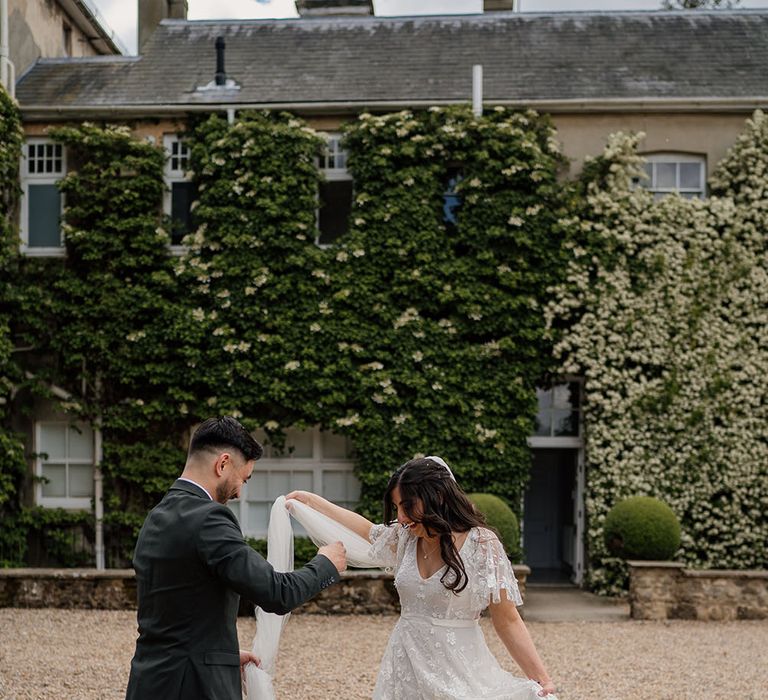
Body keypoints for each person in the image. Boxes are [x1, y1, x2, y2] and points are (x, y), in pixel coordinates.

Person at [288, 455, 557, 699]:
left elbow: (507, 619)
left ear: (437, 496)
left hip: (460, 671)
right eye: (396, 508)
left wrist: (541, 678)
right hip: (406, 667)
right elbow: (367, 530)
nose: (401, 518)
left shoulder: (483, 545)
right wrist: (313, 502)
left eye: (407, 506)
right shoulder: (405, 538)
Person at [126, 416, 347, 700]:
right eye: (243, 478)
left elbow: (176, 609)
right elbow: (276, 592)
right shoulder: (209, 518)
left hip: (150, 681)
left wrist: (223, 655)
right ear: (222, 464)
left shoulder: (157, 516)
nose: (240, 492)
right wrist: (325, 564)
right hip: (193, 686)